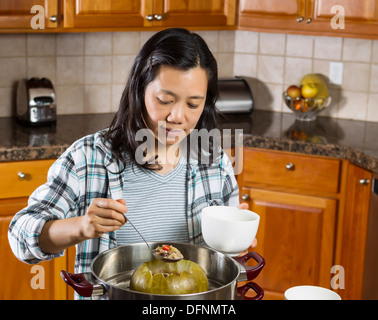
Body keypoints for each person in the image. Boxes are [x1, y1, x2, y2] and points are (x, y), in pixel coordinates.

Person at [8, 28, 255, 294]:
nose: (177, 116)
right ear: (139, 90)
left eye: (193, 104)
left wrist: (233, 243)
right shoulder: (88, 158)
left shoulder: (213, 161)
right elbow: (20, 238)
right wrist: (81, 226)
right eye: (165, 100)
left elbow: (223, 266)